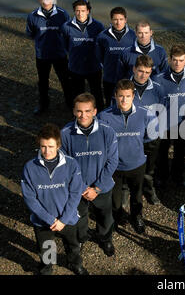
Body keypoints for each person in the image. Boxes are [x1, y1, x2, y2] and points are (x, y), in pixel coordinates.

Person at [21, 123, 88, 275]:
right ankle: (47, 268)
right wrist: (50, 220)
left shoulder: (71, 164)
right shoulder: (29, 167)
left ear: (58, 145)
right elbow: (30, 198)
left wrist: (63, 220)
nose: (47, 151)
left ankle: (74, 264)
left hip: (68, 218)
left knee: (73, 245)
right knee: (46, 246)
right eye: (43, 146)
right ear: (39, 144)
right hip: (43, 221)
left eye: (51, 146)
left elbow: (75, 193)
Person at [61, 93, 118, 257]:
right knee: (80, 216)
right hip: (77, 190)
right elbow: (64, 166)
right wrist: (83, 188)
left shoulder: (107, 132)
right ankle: (82, 237)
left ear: (95, 111)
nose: (83, 115)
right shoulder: (65, 134)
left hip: (102, 187)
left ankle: (105, 238)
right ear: (73, 111)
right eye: (79, 111)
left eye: (87, 111)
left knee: (105, 216)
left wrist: (97, 188)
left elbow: (112, 161)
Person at [98, 79, 157, 234]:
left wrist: (137, 147)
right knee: (116, 200)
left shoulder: (146, 114)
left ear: (133, 96)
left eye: (128, 96)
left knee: (137, 196)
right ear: (115, 96)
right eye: (121, 96)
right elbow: (100, 141)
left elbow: (151, 136)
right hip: (115, 167)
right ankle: (118, 217)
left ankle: (136, 217)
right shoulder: (104, 117)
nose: (124, 100)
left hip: (137, 164)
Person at [154, 45, 185, 189]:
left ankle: (178, 177)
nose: (177, 63)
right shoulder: (159, 78)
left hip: (184, 123)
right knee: (162, 152)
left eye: (181, 60)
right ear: (169, 60)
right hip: (165, 124)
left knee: (180, 153)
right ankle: (162, 177)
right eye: (174, 60)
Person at [26, 0, 71, 115]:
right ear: (39, 0)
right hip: (42, 55)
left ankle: (70, 103)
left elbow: (68, 33)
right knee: (42, 81)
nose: (45, 2)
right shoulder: (32, 16)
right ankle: (43, 105)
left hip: (60, 54)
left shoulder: (63, 14)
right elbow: (31, 33)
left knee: (65, 80)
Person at [129, 55, 165, 204]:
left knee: (150, 168)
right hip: (131, 137)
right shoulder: (125, 87)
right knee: (131, 167)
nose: (143, 75)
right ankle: (130, 192)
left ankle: (149, 191)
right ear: (134, 69)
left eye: (147, 72)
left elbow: (162, 112)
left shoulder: (158, 89)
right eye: (140, 71)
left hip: (151, 136)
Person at [61, 0, 105, 110]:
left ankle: (99, 113)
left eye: (83, 10)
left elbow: (102, 45)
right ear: (74, 11)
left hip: (94, 67)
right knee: (77, 94)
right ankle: (78, 114)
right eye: (77, 11)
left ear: (88, 11)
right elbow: (65, 45)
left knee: (97, 92)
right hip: (75, 67)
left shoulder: (98, 26)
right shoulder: (66, 26)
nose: (80, 14)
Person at [96, 7, 136, 106]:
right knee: (110, 101)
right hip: (109, 77)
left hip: (127, 78)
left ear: (126, 20)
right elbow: (99, 56)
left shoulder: (133, 36)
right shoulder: (102, 36)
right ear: (111, 20)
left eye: (121, 19)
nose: (118, 22)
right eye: (115, 19)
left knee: (126, 103)